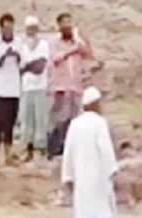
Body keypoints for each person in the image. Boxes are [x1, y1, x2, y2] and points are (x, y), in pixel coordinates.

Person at [60, 87, 118, 218]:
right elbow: (105, 149)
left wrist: (67, 175)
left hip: (80, 176)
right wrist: (112, 169)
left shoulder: (75, 124)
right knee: (102, 215)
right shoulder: (99, 123)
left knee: (84, 215)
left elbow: (68, 151)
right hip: (98, 176)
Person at [49, 13, 93, 157]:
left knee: (75, 118)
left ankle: (72, 147)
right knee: (61, 118)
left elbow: (88, 54)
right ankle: (57, 148)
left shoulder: (76, 42)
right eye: (65, 23)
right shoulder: (54, 42)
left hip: (76, 85)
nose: (68, 26)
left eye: (69, 22)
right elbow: (55, 59)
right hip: (62, 86)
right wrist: (71, 50)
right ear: (59, 26)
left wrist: (83, 39)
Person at [0, 14, 23, 164]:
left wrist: (17, 56)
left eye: (11, 27)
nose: (8, 30)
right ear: (1, 28)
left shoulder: (19, 42)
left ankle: (8, 154)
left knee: (11, 122)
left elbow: (23, 64)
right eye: (6, 27)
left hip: (14, 88)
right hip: (0, 88)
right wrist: (3, 57)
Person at [18, 17, 50, 162]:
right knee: (26, 119)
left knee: (40, 119)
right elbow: (20, 68)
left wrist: (27, 67)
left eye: (34, 28)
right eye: (29, 28)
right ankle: (27, 149)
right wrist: (29, 66)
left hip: (40, 86)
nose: (31, 31)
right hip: (26, 87)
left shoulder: (43, 45)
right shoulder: (22, 46)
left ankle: (40, 150)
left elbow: (40, 67)